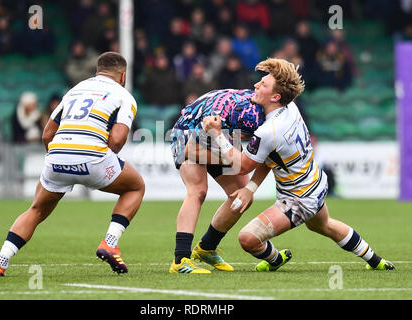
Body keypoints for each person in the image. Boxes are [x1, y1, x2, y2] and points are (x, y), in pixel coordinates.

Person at [202, 58, 395, 272]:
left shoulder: (268, 131)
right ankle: (376, 261)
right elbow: (270, 157)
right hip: (315, 182)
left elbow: (243, 166)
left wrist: (217, 135)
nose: (256, 85)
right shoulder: (290, 107)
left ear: (276, 96)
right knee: (325, 225)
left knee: (248, 238)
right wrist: (250, 188)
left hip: (298, 199)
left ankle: (275, 259)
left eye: (263, 84)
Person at [0, 52, 145, 277]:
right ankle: (110, 242)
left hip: (57, 155)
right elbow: (118, 141)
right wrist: (96, 160)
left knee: (36, 209)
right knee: (135, 187)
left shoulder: (75, 90)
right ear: (123, 76)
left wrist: (61, 162)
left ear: (97, 71)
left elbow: (46, 134)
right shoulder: (124, 95)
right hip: (93, 157)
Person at [169, 88, 264, 274]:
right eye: (244, 135)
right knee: (198, 190)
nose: (245, 139)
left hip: (223, 133)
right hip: (189, 133)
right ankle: (180, 260)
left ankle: (207, 248)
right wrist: (235, 160)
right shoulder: (212, 116)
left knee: (241, 195)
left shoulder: (256, 102)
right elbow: (191, 151)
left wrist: (237, 157)